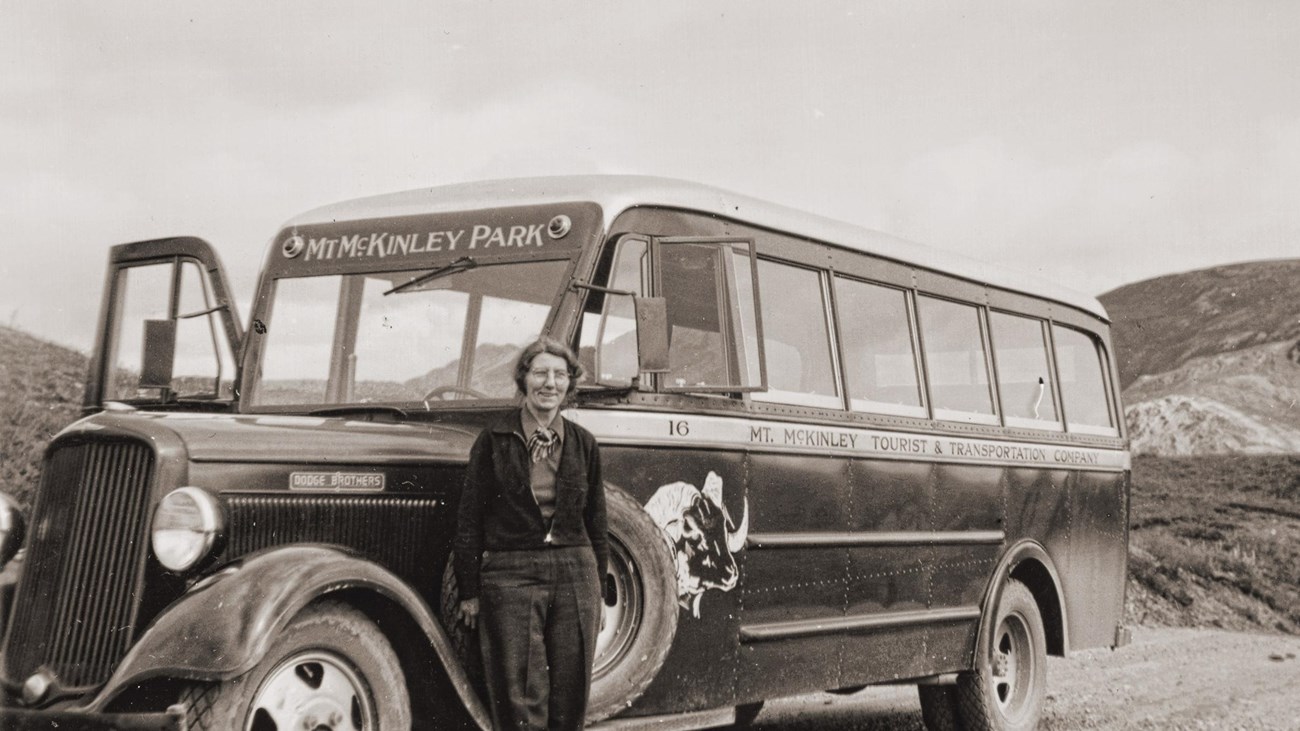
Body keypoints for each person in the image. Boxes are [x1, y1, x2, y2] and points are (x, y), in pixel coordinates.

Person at [453, 337, 608, 731]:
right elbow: (469, 520)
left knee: (571, 691)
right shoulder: (493, 441)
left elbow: (597, 523)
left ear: (570, 383)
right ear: (524, 379)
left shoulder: (583, 443)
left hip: (576, 572)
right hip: (511, 575)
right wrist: (469, 592)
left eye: (560, 375)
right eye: (540, 373)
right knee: (520, 693)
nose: (549, 383)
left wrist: (600, 594)